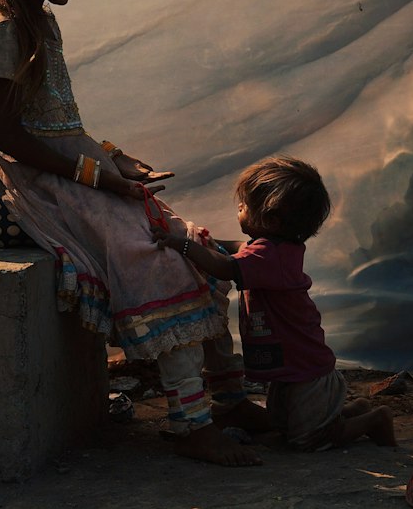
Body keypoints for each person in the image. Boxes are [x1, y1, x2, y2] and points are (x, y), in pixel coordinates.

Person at [0, 0, 269, 466]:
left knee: (193, 246)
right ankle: (192, 425)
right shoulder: (1, 33)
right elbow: (11, 138)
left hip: (79, 172)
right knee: (157, 264)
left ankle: (228, 399)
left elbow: (58, 117)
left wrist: (115, 156)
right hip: (47, 188)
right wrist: (100, 176)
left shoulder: (39, 23)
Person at [153, 155, 396, 451]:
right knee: (288, 424)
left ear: (270, 220)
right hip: (294, 365)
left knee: (308, 439)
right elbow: (236, 250)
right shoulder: (273, 248)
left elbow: (226, 267)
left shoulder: (269, 257)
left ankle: (373, 420)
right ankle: (351, 411)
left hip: (305, 370)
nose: (239, 210)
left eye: (243, 206)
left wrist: (185, 245)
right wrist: (209, 243)